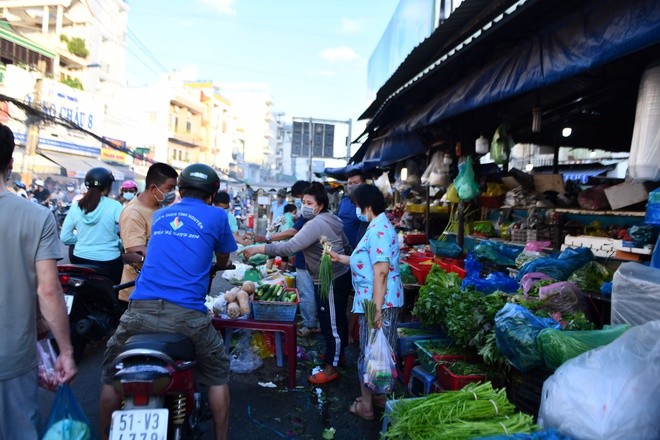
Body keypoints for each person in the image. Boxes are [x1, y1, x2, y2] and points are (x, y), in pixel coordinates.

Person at [99, 163, 237, 440]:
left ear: (181, 189)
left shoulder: (161, 215)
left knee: (111, 375)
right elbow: (223, 257)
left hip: (138, 311)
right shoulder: (217, 216)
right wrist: (220, 263)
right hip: (188, 316)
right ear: (213, 192)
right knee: (219, 373)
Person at [0, 124, 77, 439]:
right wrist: (66, 350)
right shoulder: (36, 217)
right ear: (11, 162)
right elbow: (47, 289)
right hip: (10, 356)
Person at [242, 181, 350, 384]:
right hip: (339, 276)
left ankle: (331, 369)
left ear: (320, 205)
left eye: (309, 202)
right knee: (336, 321)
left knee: (331, 324)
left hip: (332, 280)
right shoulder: (332, 219)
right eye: (303, 202)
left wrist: (258, 248)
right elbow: (345, 244)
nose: (305, 206)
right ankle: (336, 355)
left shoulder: (316, 223)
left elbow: (290, 247)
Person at [329, 183, 403, 420]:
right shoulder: (377, 227)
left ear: (367, 206)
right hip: (380, 300)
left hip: (378, 302)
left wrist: (376, 310)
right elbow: (367, 260)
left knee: (371, 353)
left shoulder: (380, 230)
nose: (355, 211)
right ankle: (378, 397)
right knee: (381, 350)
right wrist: (339, 257)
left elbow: (381, 270)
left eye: (357, 206)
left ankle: (367, 406)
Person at [254, 180, 320, 337]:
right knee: (312, 293)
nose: (301, 203)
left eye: (303, 199)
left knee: (306, 293)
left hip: (306, 260)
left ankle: (309, 324)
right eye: (300, 200)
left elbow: (291, 233)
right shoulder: (315, 216)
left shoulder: (311, 217)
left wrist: (267, 238)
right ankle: (312, 322)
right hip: (311, 259)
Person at [117, 163, 178, 304]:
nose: (173, 192)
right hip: (137, 292)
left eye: (174, 188)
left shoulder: (162, 208)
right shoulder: (133, 213)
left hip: (159, 288)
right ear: (153, 188)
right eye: (169, 188)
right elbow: (135, 250)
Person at [60, 167, 124, 284]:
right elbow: (127, 229)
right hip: (109, 261)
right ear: (108, 186)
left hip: (79, 258)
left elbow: (65, 237)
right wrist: (119, 244)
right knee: (115, 294)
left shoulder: (76, 206)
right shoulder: (115, 206)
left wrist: (82, 241)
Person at [338, 170, 370, 343]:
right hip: (341, 254)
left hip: (360, 256)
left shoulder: (366, 204)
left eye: (355, 182)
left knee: (358, 294)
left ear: (364, 183)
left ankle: (350, 333)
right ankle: (341, 332)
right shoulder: (344, 202)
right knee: (342, 294)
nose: (351, 186)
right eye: (349, 183)